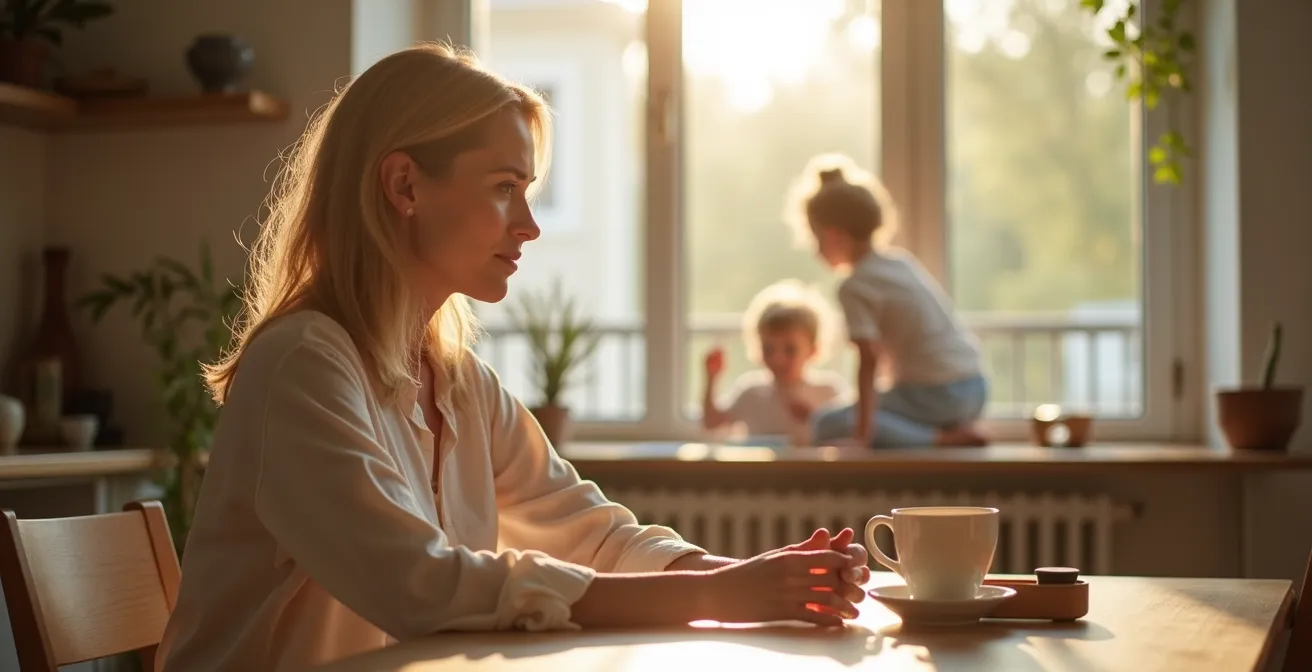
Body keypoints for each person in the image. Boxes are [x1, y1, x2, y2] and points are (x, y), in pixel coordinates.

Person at [155, 45, 871, 672]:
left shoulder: (457, 380)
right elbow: (418, 586)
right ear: (403, 186)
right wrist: (717, 594)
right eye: (504, 189)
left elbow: (591, 531)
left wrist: (747, 576)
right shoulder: (302, 365)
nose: (528, 226)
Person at [785, 154, 990, 448]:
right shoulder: (899, 262)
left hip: (938, 396)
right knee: (849, 412)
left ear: (834, 236)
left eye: (815, 239)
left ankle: (941, 439)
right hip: (976, 390)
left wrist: (861, 434)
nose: (815, 251)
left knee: (825, 424)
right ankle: (941, 429)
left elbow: (868, 361)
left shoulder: (855, 285)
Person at [701, 280, 847, 446]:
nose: (777, 359)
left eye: (790, 350)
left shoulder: (828, 392)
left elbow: (845, 438)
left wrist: (815, 418)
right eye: (768, 349)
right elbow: (712, 423)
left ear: (813, 350)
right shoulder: (751, 393)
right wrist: (711, 378)